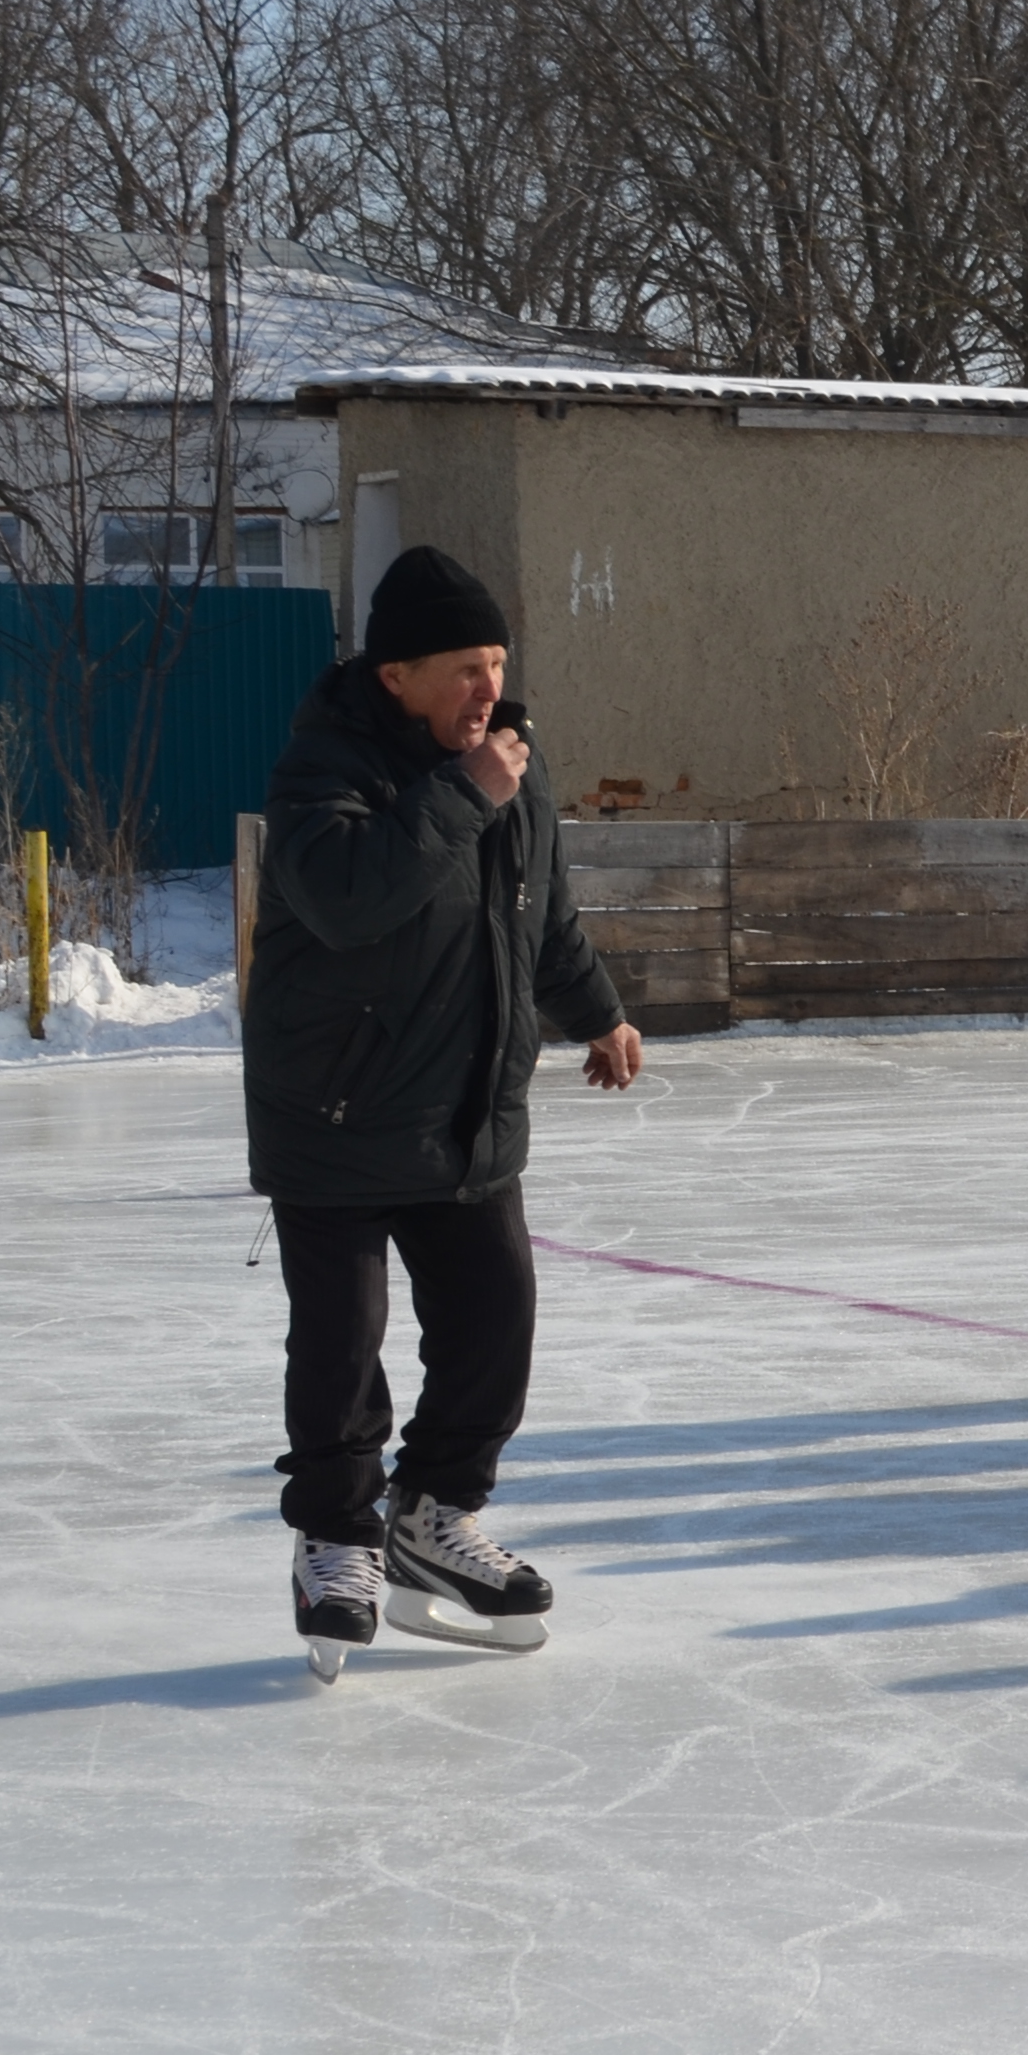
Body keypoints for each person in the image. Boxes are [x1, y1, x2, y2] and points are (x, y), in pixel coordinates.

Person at [244, 544, 644, 1679]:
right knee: (341, 1343)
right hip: (333, 1108)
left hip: (465, 1107)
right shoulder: (325, 770)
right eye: (463, 668)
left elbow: (541, 915)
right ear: (394, 677)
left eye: (496, 663)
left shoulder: (512, 769)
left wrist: (597, 1011)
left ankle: (433, 1518)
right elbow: (349, 897)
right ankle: (336, 1537)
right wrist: (466, 796)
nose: (487, 689)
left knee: (494, 1320)